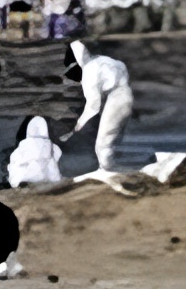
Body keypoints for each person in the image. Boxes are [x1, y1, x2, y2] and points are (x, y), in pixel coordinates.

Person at [67, 40, 133, 174]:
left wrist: (78, 125)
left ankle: (110, 172)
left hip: (117, 99)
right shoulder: (109, 61)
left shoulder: (90, 69)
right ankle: (115, 166)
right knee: (114, 136)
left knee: (103, 144)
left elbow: (93, 105)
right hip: (128, 96)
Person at [7, 114, 63, 190]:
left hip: (25, 180)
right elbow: (53, 166)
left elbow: (14, 166)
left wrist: (15, 181)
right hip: (43, 180)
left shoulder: (20, 149)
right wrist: (56, 180)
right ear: (45, 130)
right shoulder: (51, 148)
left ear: (29, 130)